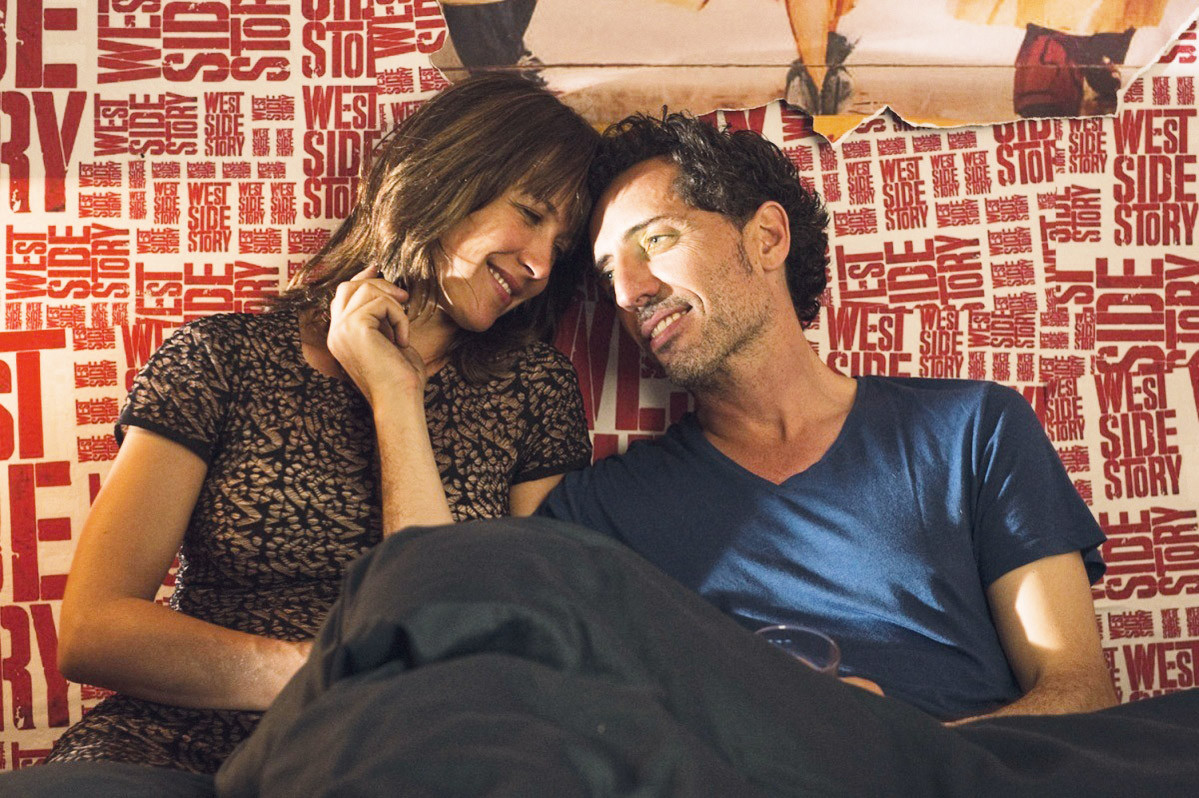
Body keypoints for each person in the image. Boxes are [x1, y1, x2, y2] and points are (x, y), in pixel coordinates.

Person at [40, 73, 598, 775]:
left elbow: (475, 632)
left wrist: (395, 396)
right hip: (169, 744)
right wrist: (325, 673)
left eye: (561, 246)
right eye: (531, 213)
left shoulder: (533, 390)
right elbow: (93, 630)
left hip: (390, 756)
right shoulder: (221, 358)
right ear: (447, 176)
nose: (541, 265)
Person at [536, 111, 1118, 723]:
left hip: (974, 763)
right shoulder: (604, 512)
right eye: (608, 274)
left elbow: (1081, 696)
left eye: (655, 241)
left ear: (767, 238)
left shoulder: (972, 431)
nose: (628, 293)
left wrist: (894, 750)